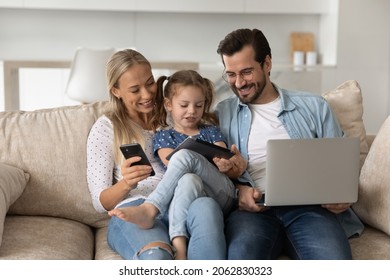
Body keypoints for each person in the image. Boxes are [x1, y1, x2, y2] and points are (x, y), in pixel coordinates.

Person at [214, 28, 364, 260]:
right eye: (231, 74)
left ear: (267, 64)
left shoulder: (314, 107)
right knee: (242, 258)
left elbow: (342, 164)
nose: (239, 83)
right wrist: (237, 191)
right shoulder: (221, 114)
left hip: (310, 209)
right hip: (252, 212)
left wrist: (342, 194)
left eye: (246, 72)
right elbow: (210, 173)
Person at [86, 49, 226, 260]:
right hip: (136, 207)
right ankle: (150, 211)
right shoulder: (106, 129)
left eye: (150, 83)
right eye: (135, 90)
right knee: (157, 260)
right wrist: (126, 183)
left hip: (185, 199)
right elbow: (100, 202)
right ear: (116, 91)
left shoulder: (175, 114)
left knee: (208, 214)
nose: (147, 94)